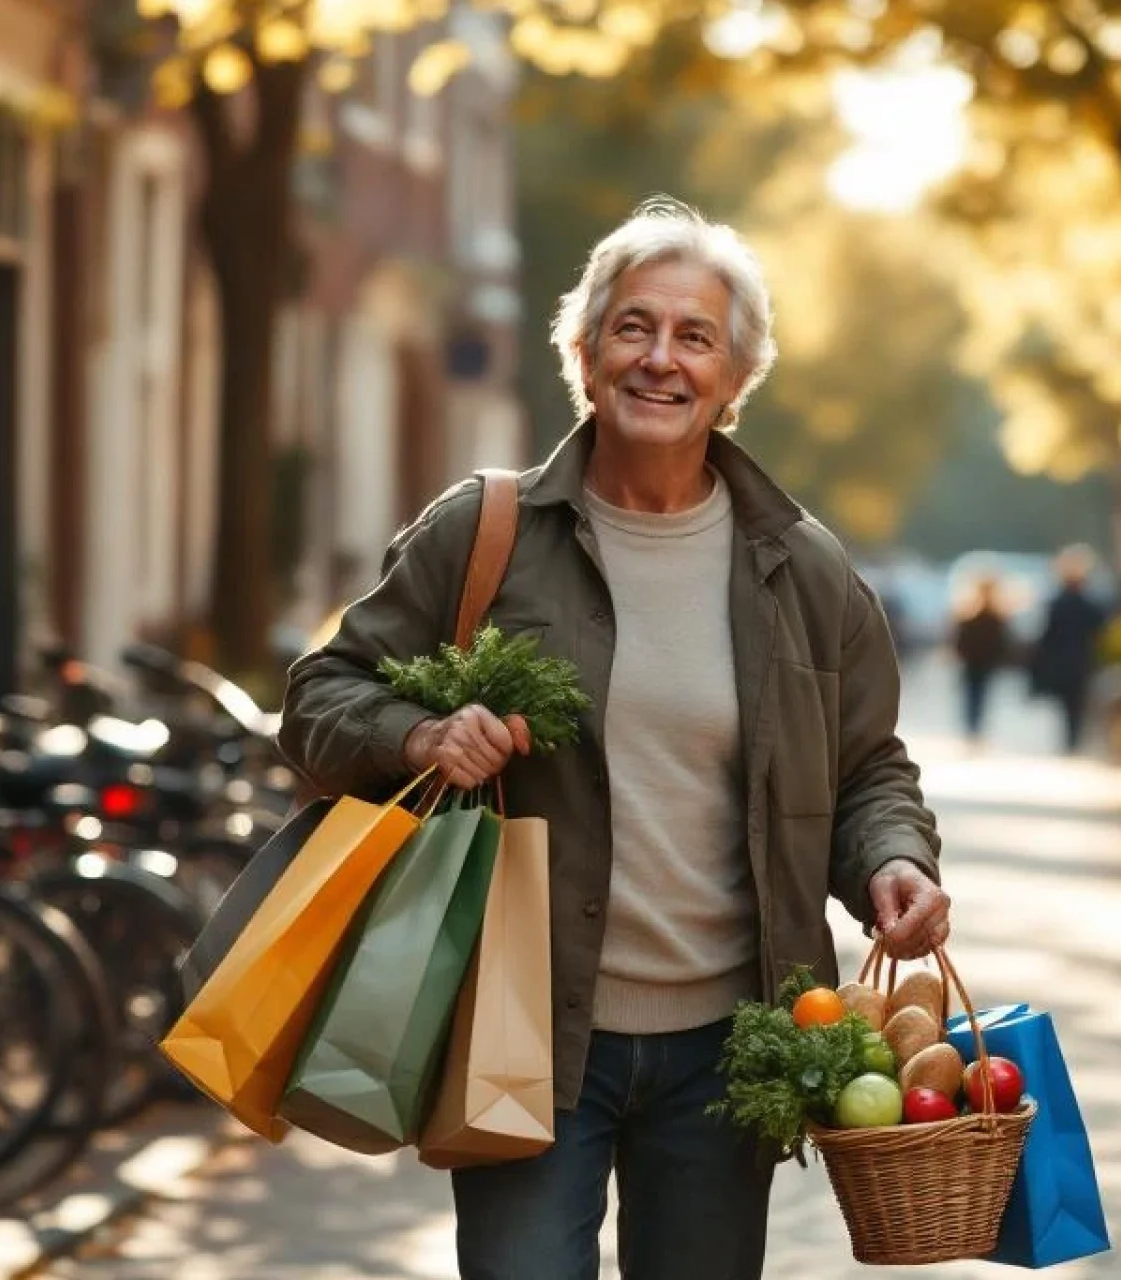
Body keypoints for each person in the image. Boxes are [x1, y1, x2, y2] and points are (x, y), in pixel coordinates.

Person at [277, 198, 949, 1280]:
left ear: (735, 379)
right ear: (584, 354)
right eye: (633, 327)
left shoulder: (803, 568)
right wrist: (418, 733)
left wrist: (895, 856)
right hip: (525, 1030)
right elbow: (318, 697)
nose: (661, 359)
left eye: (697, 337)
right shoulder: (485, 531)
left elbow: (867, 763)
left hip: (733, 1051)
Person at [1029, 545, 1110, 754]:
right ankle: (1072, 740)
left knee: (1069, 705)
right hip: (1080, 660)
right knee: (1074, 704)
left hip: (1067, 660)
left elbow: (1047, 635)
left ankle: (1070, 740)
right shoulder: (1088, 604)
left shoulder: (1059, 603)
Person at [950, 572, 1011, 743]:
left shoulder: (972, 612)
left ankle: (973, 727)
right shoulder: (992, 614)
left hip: (976, 661)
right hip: (981, 661)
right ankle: (974, 728)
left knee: (973, 694)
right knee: (979, 694)